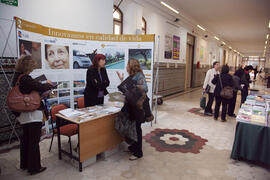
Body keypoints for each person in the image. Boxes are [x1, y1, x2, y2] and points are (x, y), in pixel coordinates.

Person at [12, 55, 53, 175]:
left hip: (23, 114)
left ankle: (24, 164)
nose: (33, 68)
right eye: (32, 66)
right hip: (31, 113)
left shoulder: (18, 77)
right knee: (34, 141)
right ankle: (34, 167)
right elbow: (41, 87)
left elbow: (32, 88)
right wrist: (49, 84)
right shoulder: (25, 78)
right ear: (28, 66)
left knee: (26, 139)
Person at [116, 59, 148, 160]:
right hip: (131, 106)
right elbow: (126, 89)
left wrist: (134, 89)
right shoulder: (133, 76)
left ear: (131, 66)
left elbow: (144, 89)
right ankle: (133, 147)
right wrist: (121, 80)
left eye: (127, 65)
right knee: (132, 127)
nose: (126, 66)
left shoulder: (139, 76)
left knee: (137, 129)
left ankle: (138, 153)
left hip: (137, 107)